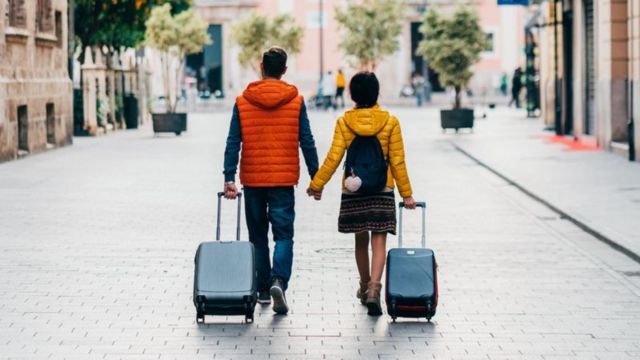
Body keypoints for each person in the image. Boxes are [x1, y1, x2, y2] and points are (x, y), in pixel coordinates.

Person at [306, 72, 417, 316]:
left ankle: (364, 285)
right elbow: (398, 161)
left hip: (354, 188)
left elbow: (334, 158)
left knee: (360, 240)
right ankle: (375, 290)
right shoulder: (390, 122)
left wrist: (317, 184)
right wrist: (407, 194)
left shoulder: (345, 122)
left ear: (352, 94)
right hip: (382, 189)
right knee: (379, 241)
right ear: (377, 93)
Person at [223, 47, 319, 315]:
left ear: (261, 66)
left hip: (253, 179)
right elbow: (307, 141)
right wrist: (317, 178)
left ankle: (263, 289)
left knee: (257, 236)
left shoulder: (243, 101)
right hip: (283, 181)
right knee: (284, 234)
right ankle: (279, 280)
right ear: (285, 70)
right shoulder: (296, 100)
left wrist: (229, 177)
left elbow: (233, 142)